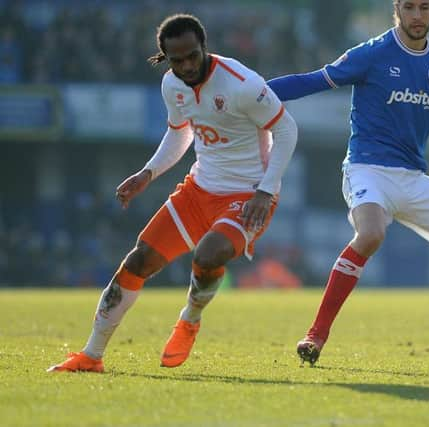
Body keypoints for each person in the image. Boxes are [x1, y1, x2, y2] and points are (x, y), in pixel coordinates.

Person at [268, 0, 429, 366]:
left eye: (424, 8)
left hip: (412, 179)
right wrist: (254, 93)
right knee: (371, 234)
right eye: (409, 7)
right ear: (397, 9)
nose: (417, 16)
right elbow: (313, 80)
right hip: (366, 170)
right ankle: (316, 334)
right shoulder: (372, 54)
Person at [48, 14, 298, 373]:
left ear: (204, 47)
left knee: (209, 253)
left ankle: (189, 319)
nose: (186, 66)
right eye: (176, 60)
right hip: (198, 189)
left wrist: (265, 189)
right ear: (165, 57)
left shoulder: (243, 84)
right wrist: (147, 173)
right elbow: (180, 133)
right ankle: (92, 354)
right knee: (138, 261)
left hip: (248, 194)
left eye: (192, 56)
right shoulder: (173, 85)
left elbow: (287, 130)